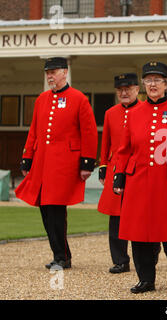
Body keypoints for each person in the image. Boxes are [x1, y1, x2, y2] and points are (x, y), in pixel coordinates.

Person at [113, 61, 167, 294]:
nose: (152, 84)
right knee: (138, 231)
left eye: (157, 80)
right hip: (137, 178)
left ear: (166, 84)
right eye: (148, 80)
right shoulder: (135, 112)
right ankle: (146, 279)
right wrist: (118, 176)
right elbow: (124, 148)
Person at [15, 57, 98, 269]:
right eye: (47, 73)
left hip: (64, 165)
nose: (50, 76)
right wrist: (27, 157)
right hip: (42, 164)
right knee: (44, 208)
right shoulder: (42, 99)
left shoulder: (79, 99)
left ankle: (61, 256)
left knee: (56, 210)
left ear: (65, 72)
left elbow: (88, 133)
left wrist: (87, 163)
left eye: (53, 72)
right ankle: (61, 254)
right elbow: (33, 131)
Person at [97, 73, 141, 274]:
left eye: (128, 89)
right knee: (115, 217)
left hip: (138, 168)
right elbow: (105, 143)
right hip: (116, 169)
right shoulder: (110, 113)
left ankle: (148, 255)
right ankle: (120, 260)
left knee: (141, 214)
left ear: (137, 90)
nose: (124, 92)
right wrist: (103, 167)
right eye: (120, 90)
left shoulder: (145, 110)